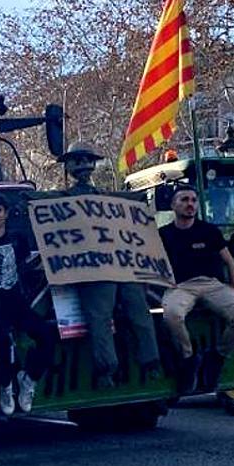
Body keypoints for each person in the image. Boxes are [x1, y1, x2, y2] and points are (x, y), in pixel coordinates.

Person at [59, 142, 162, 386]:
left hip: (119, 264)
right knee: (99, 317)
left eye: (87, 160)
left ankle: (151, 362)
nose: (84, 166)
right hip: (93, 268)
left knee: (139, 311)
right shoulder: (62, 200)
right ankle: (106, 369)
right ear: (69, 166)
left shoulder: (107, 198)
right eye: (77, 161)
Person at [0, 192, 58, 415]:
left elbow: (27, 269)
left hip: (17, 305)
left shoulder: (19, 239)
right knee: (0, 342)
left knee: (47, 335)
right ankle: (5, 386)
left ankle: (28, 380)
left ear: (6, 214)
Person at [158, 184, 234, 392]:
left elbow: (229, 262)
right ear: (173, 205)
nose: (190, 204)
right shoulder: (163, 234)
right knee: (172, 315)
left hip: (213, 285)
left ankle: (217, 356)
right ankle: (188, 358)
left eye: (193, 200)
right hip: (180, 287)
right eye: (184, 200)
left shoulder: (209, 231)